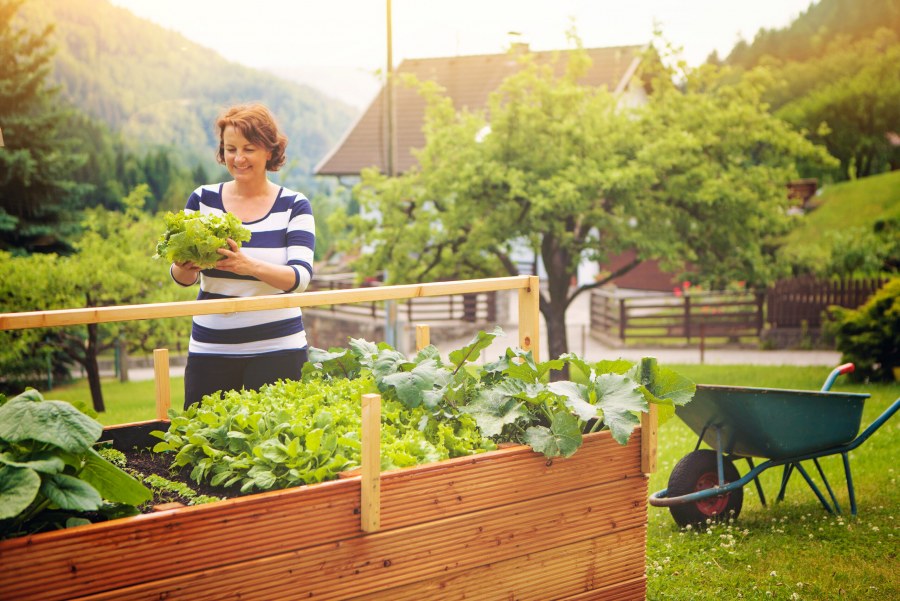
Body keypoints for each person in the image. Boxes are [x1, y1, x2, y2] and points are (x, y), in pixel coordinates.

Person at [170, 103, 315, 409]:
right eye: (230, 148)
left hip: (279, 350)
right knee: (202, 444)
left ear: (269, 151)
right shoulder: (202, 199)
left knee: (275, 447)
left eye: (249, 148)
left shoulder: (294, 205)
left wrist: (246, 265)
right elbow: (183, 278)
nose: (238, 158)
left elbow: (299, 279)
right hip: (211, 349)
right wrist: (183, 266)